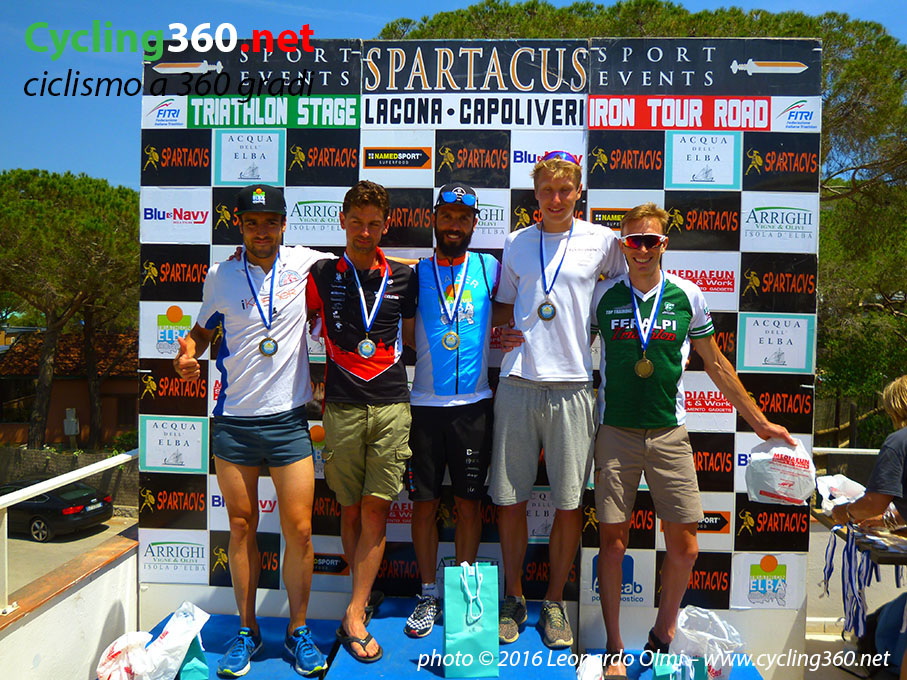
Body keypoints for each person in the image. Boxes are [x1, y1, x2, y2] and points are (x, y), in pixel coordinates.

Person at [591, 202, 795, 678]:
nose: (642, 249)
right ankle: (615, 648)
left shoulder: (688, 294)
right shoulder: (603, 294)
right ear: (623, 244)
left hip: (670, 432)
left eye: (651, 241)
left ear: (664, 243)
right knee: (613, 546)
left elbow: (716, 363)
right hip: (615, 431)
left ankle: (662, 634)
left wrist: (759, 423)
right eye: (634, 241)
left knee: (685, 548)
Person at [174, 184, 329, 678]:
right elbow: (200, 333)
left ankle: (298, 630)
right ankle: (247, 629)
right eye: (251, 222)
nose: (261, 231)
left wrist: (418, 265)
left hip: (288, 420)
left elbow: (363, 260)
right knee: (240, 527)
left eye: (270, 222)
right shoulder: (220, 275)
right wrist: (186, 355)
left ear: (283, 224)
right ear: (239, 225)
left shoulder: (305, 262)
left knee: (299, 531)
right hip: (234, 421)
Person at [489, 151, 626, 648]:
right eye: (547, 189)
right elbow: (503, 306)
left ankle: (552, 602)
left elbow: (628, 285)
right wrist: (501, 333)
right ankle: (513, 597)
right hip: (518, 382)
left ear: (578, 192)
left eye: (565, 190)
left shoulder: (603, 241)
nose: (555, 198)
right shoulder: (516, 243)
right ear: (535, 193)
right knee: (510, 499)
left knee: (569, 503)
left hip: (573, 385)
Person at [305, 180, 416, 663]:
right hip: (342, 407)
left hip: (391, 405)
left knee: (375, 511)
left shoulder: (405, 277)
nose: (364, 232)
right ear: (342, 222)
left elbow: (412, 334)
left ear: (385, 225)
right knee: (349, 510)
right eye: (356, 222)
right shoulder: (319, 273)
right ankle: (360, 597)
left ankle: (353, 612)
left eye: (373, 224)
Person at [400, 182, 500, 638]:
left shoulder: (491, 268)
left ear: (475, 223)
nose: (454, 225)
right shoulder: (414, 273)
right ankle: (427, 593)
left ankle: (461, 598)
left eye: (463, 217)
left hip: (474, 408)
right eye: (447, 216)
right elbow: (404, 333)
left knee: (468, 506)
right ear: (434, 219)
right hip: (423, 405)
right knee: (424, 505)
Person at [831, 376, 907, 530]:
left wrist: (845, 511)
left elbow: (874, 504)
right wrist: (888, 521)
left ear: (894, 410)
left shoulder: (898, 442)